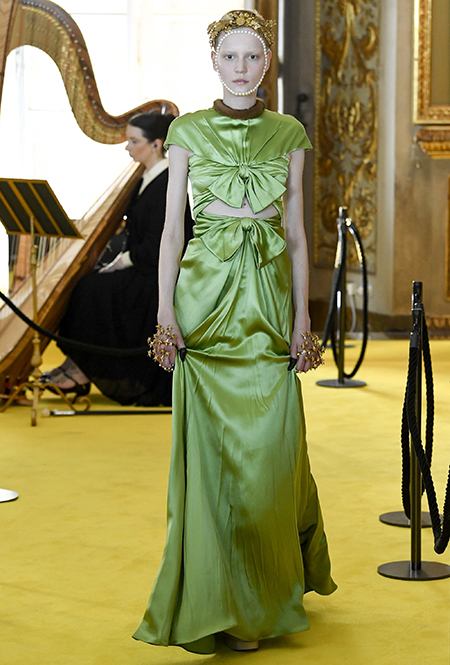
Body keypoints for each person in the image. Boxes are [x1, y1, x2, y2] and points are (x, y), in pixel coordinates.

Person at [133, 9, 336, 654]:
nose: (242, 68)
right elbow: (172, 232)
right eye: (230, 57)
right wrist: (165, 312)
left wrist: (304, 318)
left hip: (269, 305)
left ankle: (266, 588)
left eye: (253, 57)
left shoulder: (289, 132)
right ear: (214, 61)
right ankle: (222, 600)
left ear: (267, 61)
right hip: (204, 303)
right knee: (212, 459)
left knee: (271, 453)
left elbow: (296, 234)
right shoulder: (187, 130)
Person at [42, 112, 193, 406]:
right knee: (89, 286)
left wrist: (122, 261)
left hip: (155, 277)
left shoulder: (166, 182)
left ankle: (82, 368)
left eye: (134, 141)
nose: (127, 147)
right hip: (144, 268)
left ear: (156, 145)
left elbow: (158, 246)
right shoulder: (146, 178)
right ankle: (78, 364)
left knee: (90, 291)